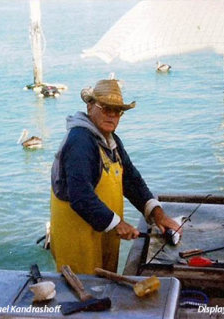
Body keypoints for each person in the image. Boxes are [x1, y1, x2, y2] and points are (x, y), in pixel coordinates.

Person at [50, 79, 181, 274]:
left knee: (105, 288)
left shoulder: (110, 140)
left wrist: (156, 214)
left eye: (117, 111)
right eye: (105, 108)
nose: (112, 115)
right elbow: (80, 196)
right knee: (82, 295)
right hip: (78, 241)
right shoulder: (80, 141)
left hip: (103, 232)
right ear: (90, 106)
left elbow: (131, 180)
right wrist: (117, 224)